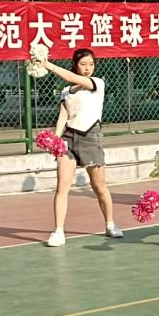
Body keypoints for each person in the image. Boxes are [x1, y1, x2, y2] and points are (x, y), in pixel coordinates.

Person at [39, 48, 123, 247]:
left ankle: (110, 224)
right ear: (75, 65)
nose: (87, 68)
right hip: (68, 139)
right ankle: (58, 231)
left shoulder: (97, 83)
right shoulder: (66, 91)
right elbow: (63, 116)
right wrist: (55, 140)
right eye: (83, 64)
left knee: (99, 187)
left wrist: (47, 65)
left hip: (91, 137)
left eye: (91, 64)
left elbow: (70, 76)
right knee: (62, 187)